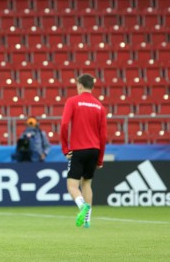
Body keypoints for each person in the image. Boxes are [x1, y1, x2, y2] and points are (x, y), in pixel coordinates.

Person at [61, 74, 107, 229]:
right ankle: (87, 220)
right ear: (92, 87)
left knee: (72, 186)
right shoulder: (100, 106)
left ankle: (83, 207)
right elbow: (103, 135)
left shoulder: (72, 101)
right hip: (94, 149)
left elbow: (64, 124)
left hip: (78, 149)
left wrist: (65, 149)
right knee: (87, 183)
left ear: (79, 85)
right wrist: (100, 159)